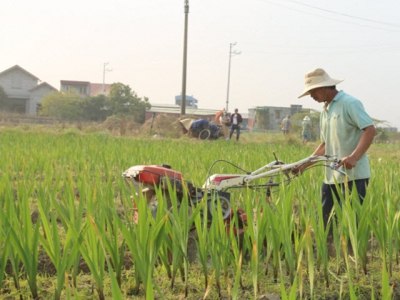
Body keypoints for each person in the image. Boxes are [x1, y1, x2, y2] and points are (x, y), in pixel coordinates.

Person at [298, 68, 376, 230]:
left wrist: (354, 157)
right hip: (331, 177)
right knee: (326, 225)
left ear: (325, 87)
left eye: (313, 91)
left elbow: (370, 130)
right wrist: (305, 164)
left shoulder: (349, 103)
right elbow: (325, 144)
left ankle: (349, 254)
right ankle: (328, 253)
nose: (311, 96)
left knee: (349, 225)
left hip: (354, 177)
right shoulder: (325, 111)